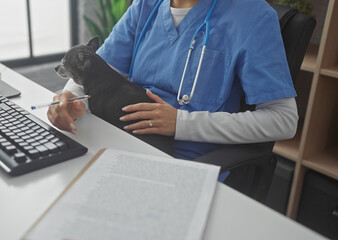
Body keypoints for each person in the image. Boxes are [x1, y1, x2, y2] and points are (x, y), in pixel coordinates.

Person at [47, 0, 298, 180]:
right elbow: (96, 66)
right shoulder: (146, 6)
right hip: (119, 141)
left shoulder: (252, 16)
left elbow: (283, 120)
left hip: (181, 163)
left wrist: (181, 123)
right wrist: (70, 97)